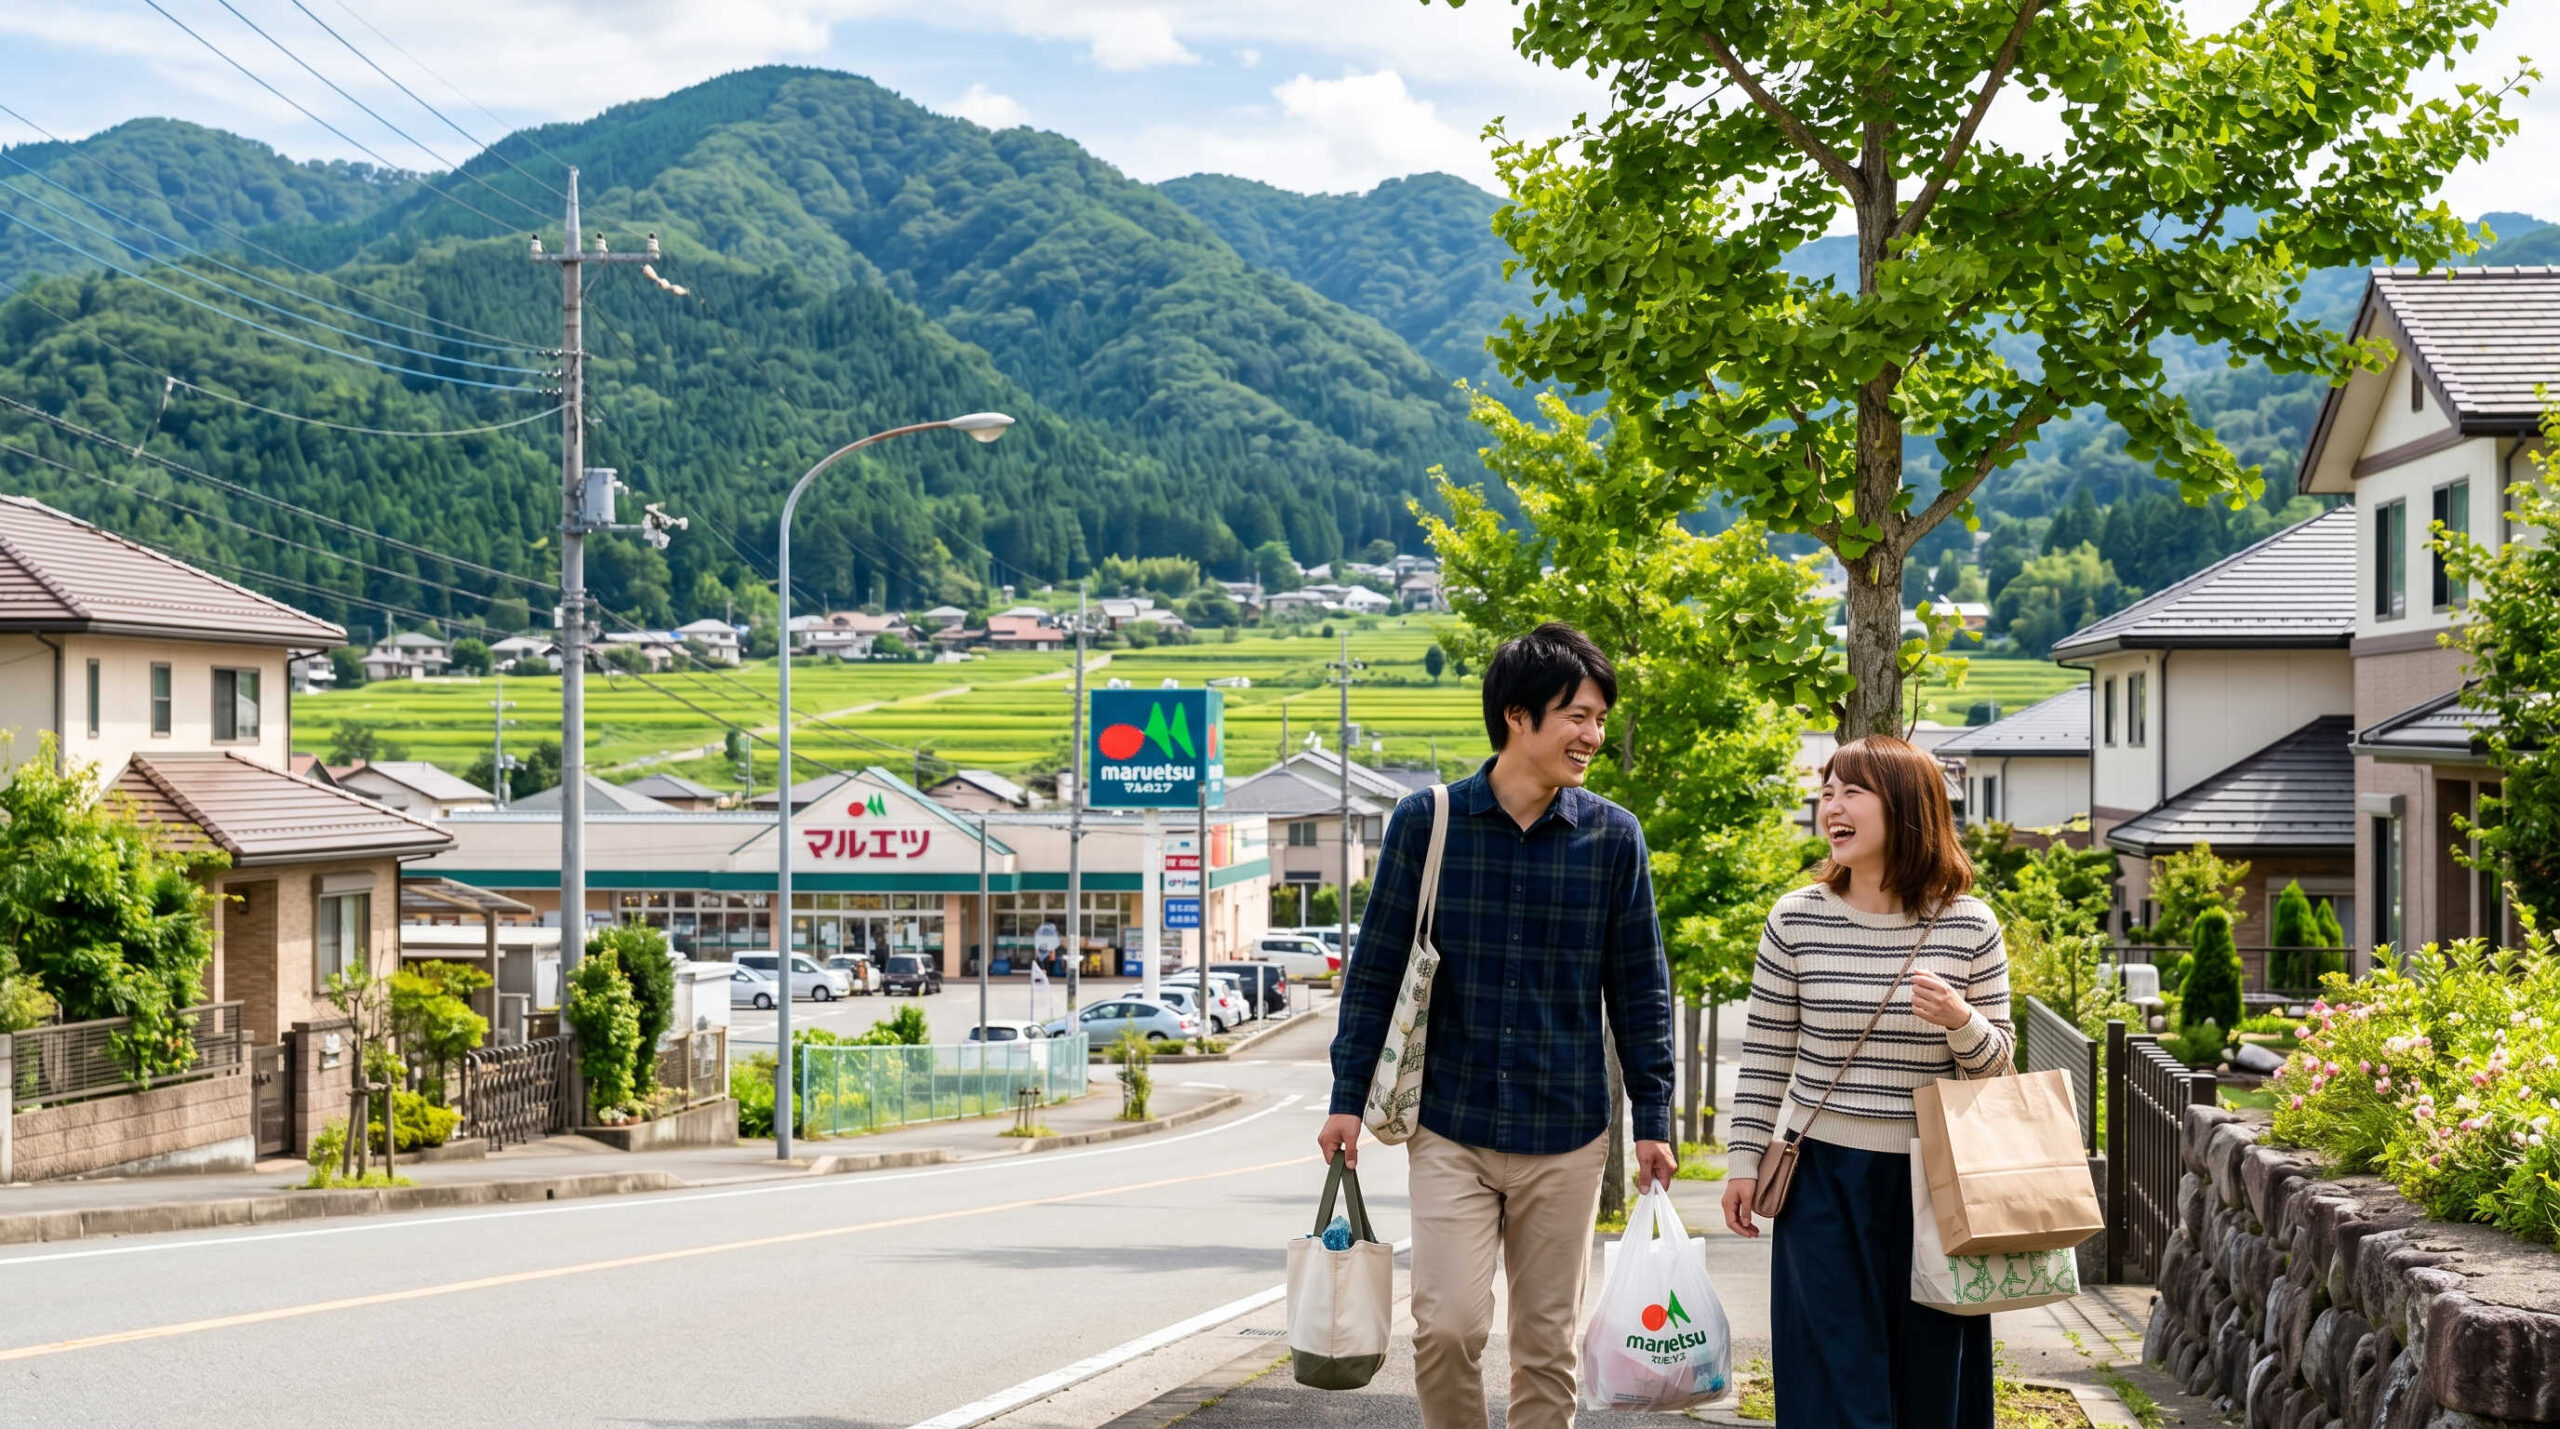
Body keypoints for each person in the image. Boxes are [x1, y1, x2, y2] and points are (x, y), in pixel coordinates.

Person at [1320, 621, 1676, 1429]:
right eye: (1578, 715)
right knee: (1446, 1327)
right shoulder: (1427, 822)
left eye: (1597, 718)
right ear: (1518, 716)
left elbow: (1639, 990)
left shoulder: (1613, 838)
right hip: (1451, 1123)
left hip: (1569, 1129)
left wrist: (1652, 1117)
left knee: (1547, 1346)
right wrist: (1346, 1095)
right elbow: (1375, 970)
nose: (1593, 735)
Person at [1718, 734, 2014, 1429]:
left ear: (1908, 807)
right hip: (1821, 1178)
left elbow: (1999, 1068)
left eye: (1853, 791)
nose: (1832, 807)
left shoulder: (1969, 925)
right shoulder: (1796, 918)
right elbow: (1766, 1052)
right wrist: (1741, 1160)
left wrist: (1959, 1018)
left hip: (1936, 1185)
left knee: (1930, 1380)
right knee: (1832, 1377)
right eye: (1827, 791)